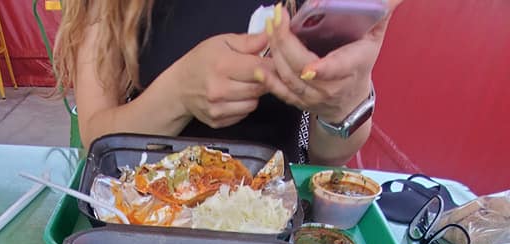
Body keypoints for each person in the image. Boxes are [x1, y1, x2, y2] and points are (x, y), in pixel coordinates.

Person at [54, 0, 404, 165]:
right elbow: (95, 136)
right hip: (147, 214)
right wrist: (178, 94)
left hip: (273, 222)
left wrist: (342, 102)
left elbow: (328, 159)